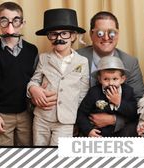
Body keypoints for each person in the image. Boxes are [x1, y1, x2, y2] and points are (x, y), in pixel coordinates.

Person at [76, 11, 144, 136]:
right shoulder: (75, 57)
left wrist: (114, 120)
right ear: (91, 34)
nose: (106, 37)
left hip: (118, 130)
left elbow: (140, 103)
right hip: (79, 125)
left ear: (118, 35)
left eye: (112, 32)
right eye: (100, 33)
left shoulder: (130, 62)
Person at [27, 8, 89, 146]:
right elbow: (34, 81)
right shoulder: (44, 58)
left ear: (73, 36)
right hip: (42, 118)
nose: (59, 38)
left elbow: (83, 92)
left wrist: (74, 114)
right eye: (53, 34)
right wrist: (33, 89)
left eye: (64, 34)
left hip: (66, 121)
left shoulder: (82, 62)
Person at [0, 2, 38, 146]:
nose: (10, 27)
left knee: (27, 154)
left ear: (22, 22)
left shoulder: (32, 51)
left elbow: (36, 80)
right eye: (4, 21)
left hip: (26, 113)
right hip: (2, 114)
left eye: (15, 21)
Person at [77, 56, 137, 137]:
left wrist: (119, 102)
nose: (110, 83)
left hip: (122, 132)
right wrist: (88, 130)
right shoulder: (94, 92)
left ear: (122, 79)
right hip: (99, 133)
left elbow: (134, 113)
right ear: (99, 79)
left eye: (115, 79)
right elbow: (81, 114)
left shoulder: (128, 91)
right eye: (106, 79)